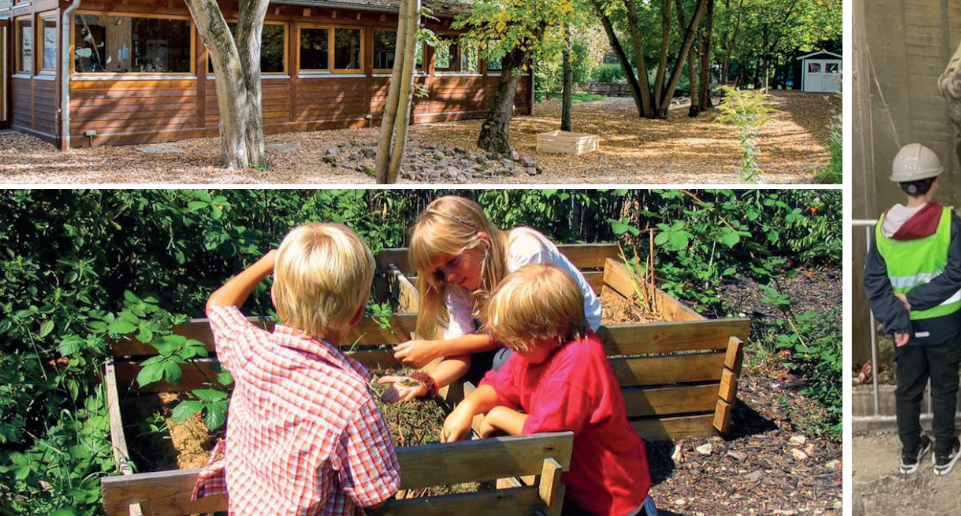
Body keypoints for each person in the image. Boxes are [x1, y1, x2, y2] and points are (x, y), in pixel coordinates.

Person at [192, 223, 400, 513]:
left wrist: (267, 261)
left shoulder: (250, 350)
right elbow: (374, 496)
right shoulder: (350, 400)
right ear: (358, 313)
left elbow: (218, 305)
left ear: (274, 297)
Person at [441, 263, 655, 516]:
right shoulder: (534, 353)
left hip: (610, 495)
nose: (512, 349)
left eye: (518, 343)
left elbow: (548, 435)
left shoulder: (579, 361)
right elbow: (501, 384)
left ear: (552, 332)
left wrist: (499, 415)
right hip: (575, 484)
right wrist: (468, 406)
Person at [380, 195, 604, 402]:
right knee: (482, 364)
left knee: (502, 363)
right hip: (514, 333)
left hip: (563, 331)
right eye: (439, 272)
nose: (449, 276)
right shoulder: (458, 281)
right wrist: (426, 382)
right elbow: (461, 351)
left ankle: (520, 415)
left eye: (452, 262)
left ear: (481, 243)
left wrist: (437, 348)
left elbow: (526, 334)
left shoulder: (525, 253)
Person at [863, 143, 961, 476]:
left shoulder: (883, 227)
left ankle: (910, 453)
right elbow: (957, 273)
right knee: (944, 388)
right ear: (935, 182)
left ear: (899, 184)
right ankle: (944, 452)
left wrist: (899, 316)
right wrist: (918, 299)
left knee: (908, 390)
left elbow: (874, 283)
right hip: (944, 324)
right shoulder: (949, 221)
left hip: (904, 329)